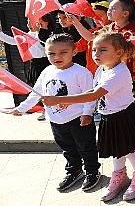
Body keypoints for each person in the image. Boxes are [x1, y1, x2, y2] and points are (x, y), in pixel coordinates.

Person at [41, 33, 135, 202]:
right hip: (109, 116)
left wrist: (61, 100)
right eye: (94, 50)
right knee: (116, 148)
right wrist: (68, 102)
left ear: (119, 52)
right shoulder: (102, 68)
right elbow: (91, 91)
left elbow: (95, 94)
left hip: (122, 117)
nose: (96, 54)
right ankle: (119, 176)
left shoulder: (119, 72)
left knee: (128, 149)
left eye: (103, 50)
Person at [11, 34, 100, 192]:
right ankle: (74, 170)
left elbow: (90, 95)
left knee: (86, 147)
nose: (57, 57)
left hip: (78, 119)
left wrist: (87, 114)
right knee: (67, 148)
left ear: (73, 52)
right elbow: (36, 92)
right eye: (52, 53)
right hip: (56, 120)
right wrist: (22, 108)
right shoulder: (47, 71)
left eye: (63, 52)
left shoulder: (81, 72)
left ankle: (92, 171)